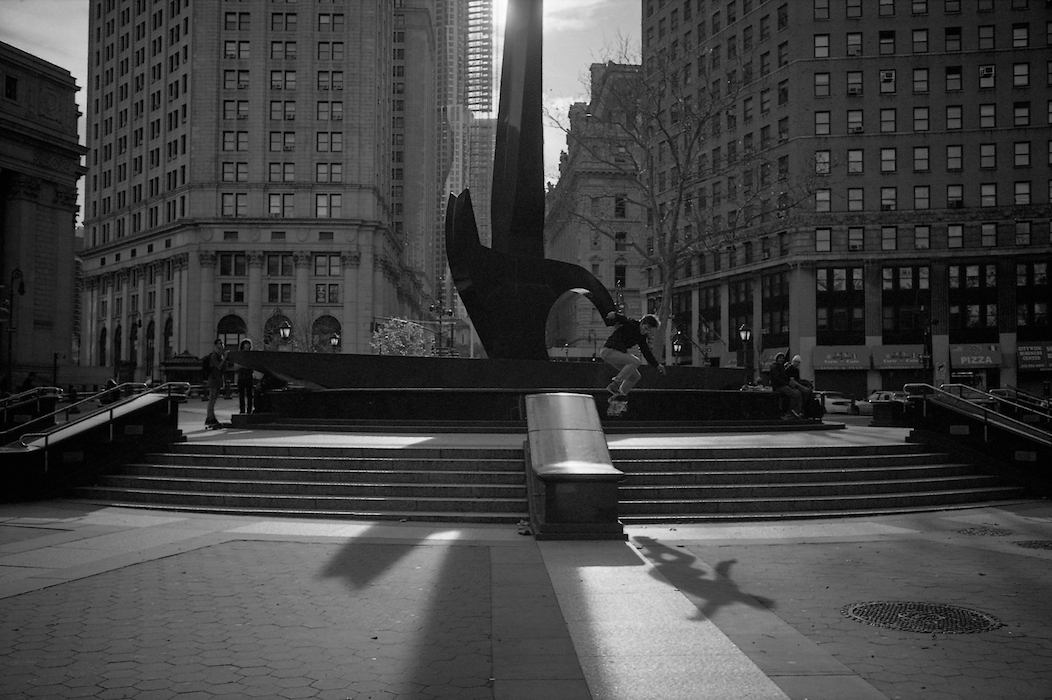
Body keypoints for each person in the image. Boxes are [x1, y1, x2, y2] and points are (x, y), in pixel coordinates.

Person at [599, 312, 666, 398]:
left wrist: (657, 365)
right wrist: (615, 315)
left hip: (616, 354)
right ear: (641, 323)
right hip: (609, 351)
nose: (645, 332)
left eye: (648, 331)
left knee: (635, 376)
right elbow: (624, 319)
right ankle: (615, 384)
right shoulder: (632, 325)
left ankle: (620, 395)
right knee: (636, 361)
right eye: (645, 328)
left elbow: (646, 352)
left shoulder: (642, 337)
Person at [769, 351, 803, 418]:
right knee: (795, 394)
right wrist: (787, 383)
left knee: (798, 393)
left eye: (782, 358)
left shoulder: (782, 367)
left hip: (783, 385)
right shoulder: (775, 367)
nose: (781, 360)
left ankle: (796, 410)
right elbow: (778, 379)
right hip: (779, 387)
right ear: (777, 359)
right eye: (780, 358)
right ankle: (792, 410)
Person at [205, 338, 228, 427]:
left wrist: (225, 359)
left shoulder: (220, 356)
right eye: (219, 343)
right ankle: (209, 417)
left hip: (218, 379)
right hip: (213, 379)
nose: (221, 345)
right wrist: (224, 359)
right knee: (212, 398)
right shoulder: (214, 356)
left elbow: (224, 368)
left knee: (214, 399)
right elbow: (218, 366)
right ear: (215, 345)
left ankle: (211, 416)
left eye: (222, 343)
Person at [236, 339, 255, 414]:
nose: (247, 350)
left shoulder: (251, 356)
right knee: (241, 395)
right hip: (242, 377)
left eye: (249, 348)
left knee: (249, 394)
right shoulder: (239, 355)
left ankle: (249, 410)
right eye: (246, 348)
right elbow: (237, 366)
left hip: (249, 376)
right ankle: (242, 410)